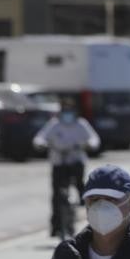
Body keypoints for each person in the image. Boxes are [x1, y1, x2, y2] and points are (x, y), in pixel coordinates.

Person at [33, 99, 100, 238]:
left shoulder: (81, 124)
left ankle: (91, 220)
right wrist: (41, 144)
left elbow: (94, 139)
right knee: (57, 195)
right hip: (59, 163)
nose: (67, 114)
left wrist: (89, 145)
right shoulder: (55, 125)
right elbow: (40, 137)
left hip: (76, 161)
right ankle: (56, 226)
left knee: (81, 188)